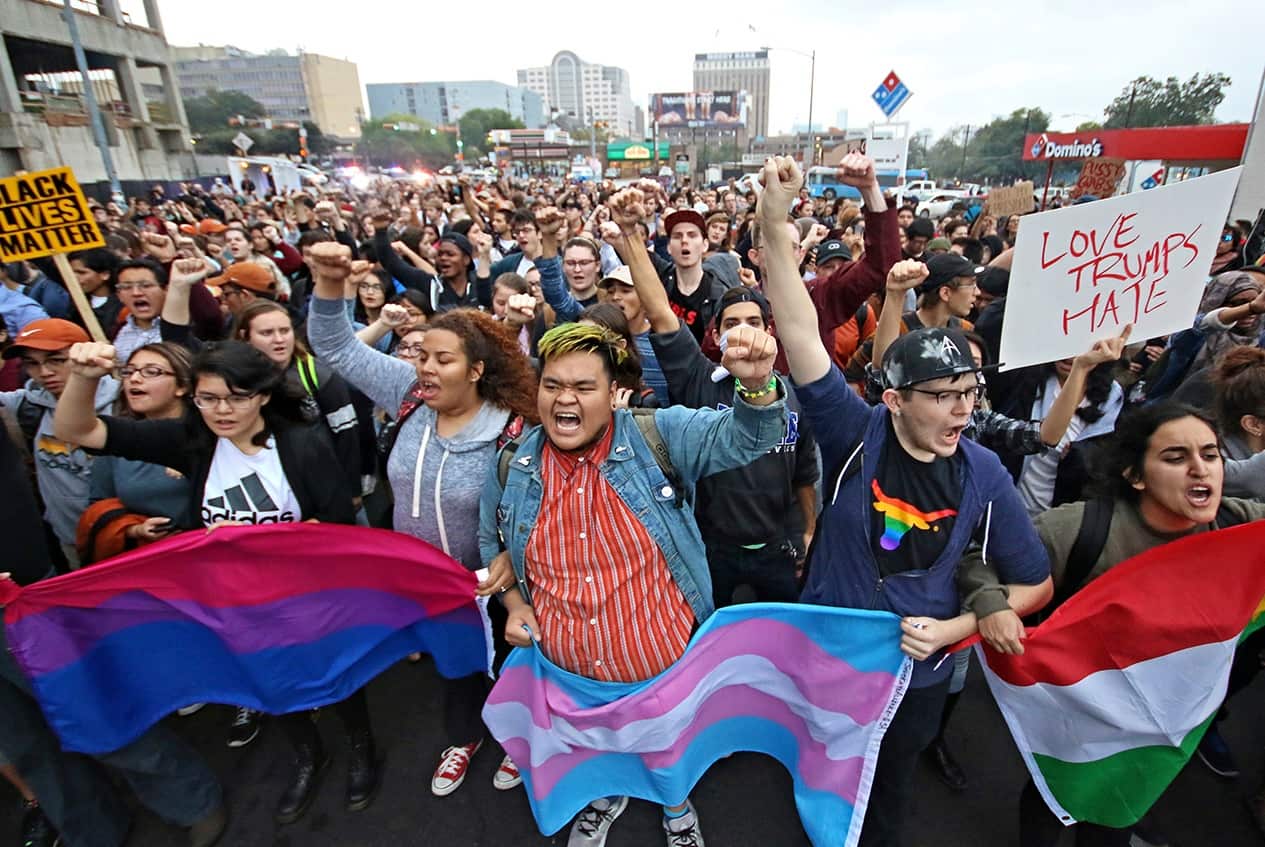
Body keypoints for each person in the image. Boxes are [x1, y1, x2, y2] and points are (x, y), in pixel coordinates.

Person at [753, 156, 1052, 847]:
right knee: (822, 771)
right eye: (943, 397)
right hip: (827, 657)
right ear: (893, 402)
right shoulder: (853, 432)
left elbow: (1031, 582)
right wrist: (773, 225)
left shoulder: (983, 471)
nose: (960, 411)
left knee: (886, 794)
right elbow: (798, 329)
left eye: (968, 395)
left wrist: (953, 632)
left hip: (913, 683)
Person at [479, 319, 788, 847]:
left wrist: (757, 385)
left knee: (665, 752)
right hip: (568, 672)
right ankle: (603, 797)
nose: (563, 400)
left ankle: (677, 811)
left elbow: (750, 437)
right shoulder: (514, 463)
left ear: (614, 394)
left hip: (662, 665)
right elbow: (491, 540)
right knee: (594, 750)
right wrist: (513, 602)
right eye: (552, 385)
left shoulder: (657, 436)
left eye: (583, 387)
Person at [53, 339, 379, 825]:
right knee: (268, 682)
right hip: (231, 604)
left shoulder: (302, 444)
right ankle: (308, 755)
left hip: (301, 601)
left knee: (332, 676)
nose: (222, 411)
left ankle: (359, 747)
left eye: (236, 397)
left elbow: (336, 531)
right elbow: (77, 428)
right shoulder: (192, 439)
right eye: (208, 398)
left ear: (263, 396)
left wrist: (250, 540)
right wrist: (81, 377)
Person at [960, 402, 1265, 847]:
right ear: (1136, 476)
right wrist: (993, 604)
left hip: (1161, 724)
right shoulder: (1082, 528)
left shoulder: (1237, 528)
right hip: (1079, 714)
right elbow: (981, 559)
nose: (1200, 470)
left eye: (1211, 454)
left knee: (1113, 822)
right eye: (1176, 458)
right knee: (1055, 803)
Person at [303, 241, 540, 799]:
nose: (425, 368)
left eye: (442, 360)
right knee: (455, 669)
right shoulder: (406, 394)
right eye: (421, 356)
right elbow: (332, 344)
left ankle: (518, 740)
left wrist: (512, 559)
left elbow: (543, 505)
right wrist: (330, 284)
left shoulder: (517, 427)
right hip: (427, 588)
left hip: (500, 587)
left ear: (477, 371)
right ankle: (464, 737)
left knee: (515, 667)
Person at [606, 186, 818, 606]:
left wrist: (808, 531)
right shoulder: (696, 378)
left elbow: (805, 474)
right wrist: (631, 236)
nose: (743, 330)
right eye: (732, 322)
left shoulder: (792, 394)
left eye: (753, 321)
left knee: (777, 641)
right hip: (709, 548)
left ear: (769, 331)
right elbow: (660, 311)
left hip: (777, 548)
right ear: (716, 335)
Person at [0, 318, 118, 569]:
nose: (44, 373)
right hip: (69, 540)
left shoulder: (123, 402)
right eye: (32, 364)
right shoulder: (27, 406)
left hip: (124, 536)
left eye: (56, 360)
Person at [80, 342, 193, 563]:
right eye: (129, 371)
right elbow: (99, 506)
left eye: (151, 372)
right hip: (148, 565)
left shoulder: (210, 435)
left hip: (210, 559)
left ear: (182, 386)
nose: (134, 379)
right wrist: (133, 530)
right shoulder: (117, 442)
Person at [110, 257, 169, 362]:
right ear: (119, 295)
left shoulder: (181, 330)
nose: (136, 293)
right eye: (127, 287)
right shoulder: (118, 331)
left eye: (145, 285)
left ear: (166, 290)